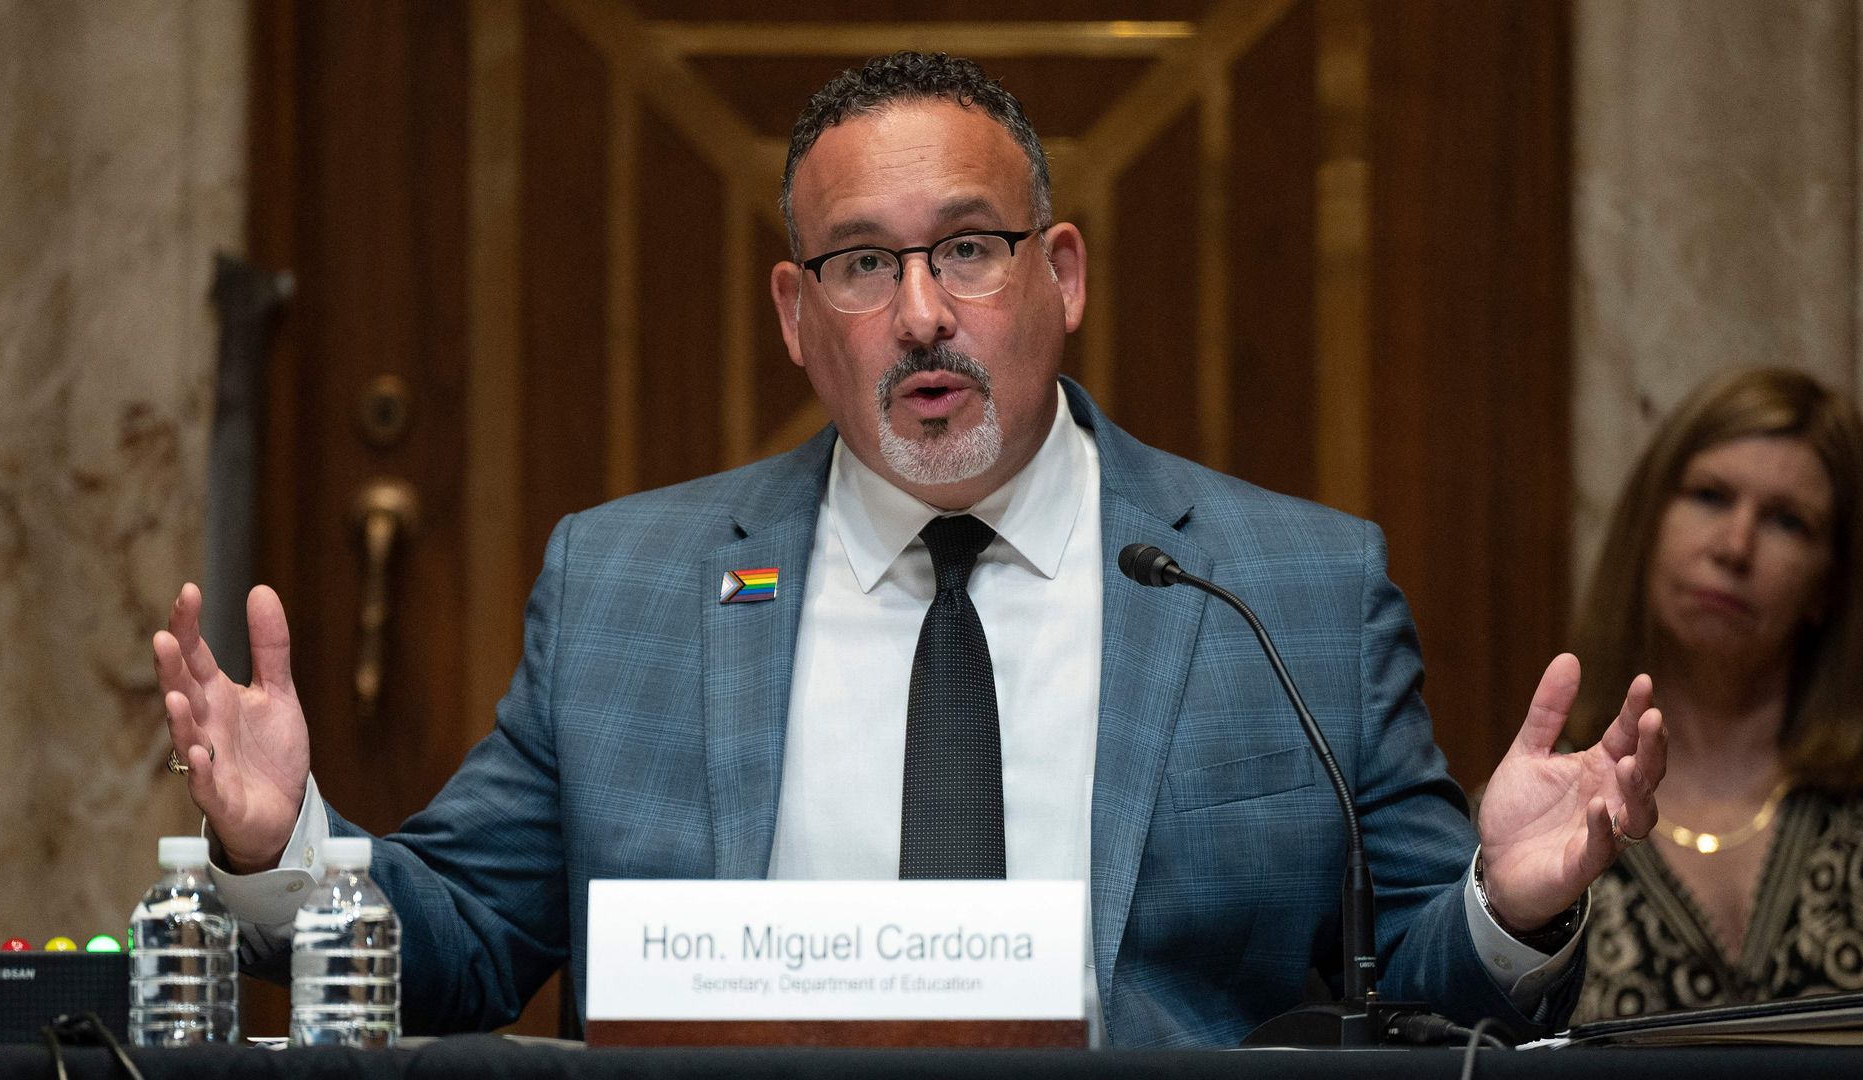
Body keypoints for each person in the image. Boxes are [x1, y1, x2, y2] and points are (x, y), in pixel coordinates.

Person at [152, 53, 1664, 1047]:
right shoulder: (627, 589)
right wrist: (283, 843)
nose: (924, 311)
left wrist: (1509, 902)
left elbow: (1420, 986)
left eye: (969, 248)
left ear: (1058, 274)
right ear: (797, 317)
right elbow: (470, 944)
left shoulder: (1289, 589)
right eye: (863, 264)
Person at [1565, 368, 1863, 1021]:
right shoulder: (1550, 805)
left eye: (1786, 521)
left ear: (1831, 584)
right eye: (1711, 496)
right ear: (1648, 523)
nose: (1735, 546)